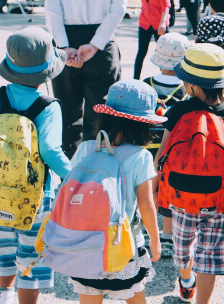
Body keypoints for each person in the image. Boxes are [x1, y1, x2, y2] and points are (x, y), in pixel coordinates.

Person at [0, 27, 72, 304]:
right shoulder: (48, 106)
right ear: (46, 72)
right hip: (35, 196)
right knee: (31, 252)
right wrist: (76, 177)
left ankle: (4, 294)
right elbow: (50, 150)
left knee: (4, 242)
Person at [155, 43, 224, 303]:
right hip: (218, 199)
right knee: (208, 256)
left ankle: (186, 281)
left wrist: (158, 184)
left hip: (181, 197)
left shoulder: (177, 111)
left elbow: (161, 156)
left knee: (182, 248)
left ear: (190, 85)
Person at [68, 79, 163, 303]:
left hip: (85, 241)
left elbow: (70, 187)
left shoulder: (86, 148)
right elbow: (146, 204)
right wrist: (155, 239)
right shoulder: (140, 157)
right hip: (124, 244)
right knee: (134, 296)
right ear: (142, 124)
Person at [44, 0, 126, 158]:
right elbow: (118, 8)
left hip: (67, 34)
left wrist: (63, 45)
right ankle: (96, 170)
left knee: (66, 112)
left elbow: (52, 8)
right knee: (101, 112)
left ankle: (69, 172)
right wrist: (96, 43)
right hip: (103, 38)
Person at [143, 32, 190, 257]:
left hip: (145, 148)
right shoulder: (187, 90)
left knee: (147, 190)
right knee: (169, 192)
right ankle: (168, 236)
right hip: (172, 150)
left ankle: (146, 231)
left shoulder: (146, 85)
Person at [133, 0, 170, 80]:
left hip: (160, 24)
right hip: (144, 23)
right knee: (141, 52)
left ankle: (166, 79)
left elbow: (166, 4)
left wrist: (163, 22)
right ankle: (135, 79)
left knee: (163, 53)